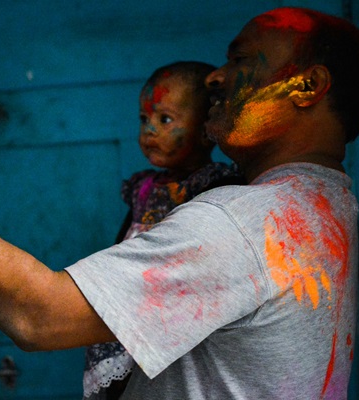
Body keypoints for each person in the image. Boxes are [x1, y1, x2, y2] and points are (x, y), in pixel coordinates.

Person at [0, 6, 359, 399]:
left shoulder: (243, 223)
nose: (215, 77)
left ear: (308, 86)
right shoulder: (329, 203)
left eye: (241, 60)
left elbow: (36, 315)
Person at [84, 61, 243, 400]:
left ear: (205, 130)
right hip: (132, 296)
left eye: (165, 120)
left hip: (172, 306)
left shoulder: (211, 186)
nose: (150, 131)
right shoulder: (143, 187)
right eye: (144, 120)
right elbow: (123, 242)